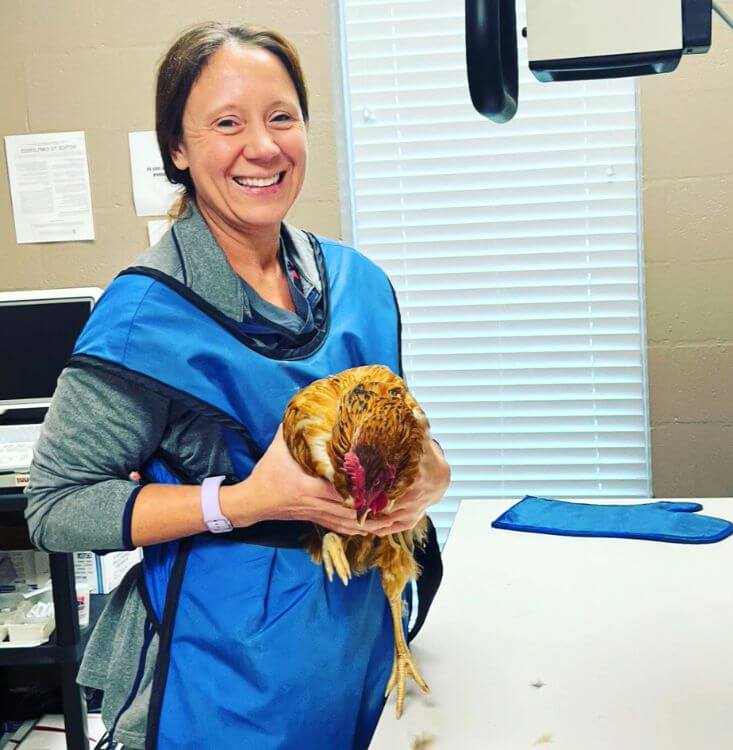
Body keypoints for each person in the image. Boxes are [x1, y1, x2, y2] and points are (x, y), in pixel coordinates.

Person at [25, 22, 450, 750]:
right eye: (227, 123)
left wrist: (431, 474)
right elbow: (57, 506)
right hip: (223, 688)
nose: (263, 146)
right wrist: (246, 502)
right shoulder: (144, 318)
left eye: (281, 117)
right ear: (178, 151)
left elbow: (397, 433)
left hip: (359, 659)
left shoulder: (359, 286)